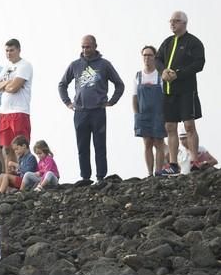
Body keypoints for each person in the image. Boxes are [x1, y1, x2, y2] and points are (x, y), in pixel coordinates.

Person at [58, 35, 124, 185]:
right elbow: (62, 84)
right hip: (80, 112)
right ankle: (85, 177)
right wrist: (67, 102)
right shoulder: (75, 65)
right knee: (82, 146)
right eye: (83, 47)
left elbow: (119, 84)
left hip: (98, 111)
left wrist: (112, 101)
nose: (85, 50)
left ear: (95, 46)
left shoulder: (104, 64)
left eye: (88, 47)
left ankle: (101, 176)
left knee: (100, 145)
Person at [155, 11, 206, 176]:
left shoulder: (194, 42)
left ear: (184, 23)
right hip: (169, 91)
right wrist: (162, 71)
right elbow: (157, 59)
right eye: (170, 21)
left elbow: (199, 63)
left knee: (189, 125)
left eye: (176, 21)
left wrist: (179, 73)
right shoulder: (167, 42)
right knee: (170, 127)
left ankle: (194, 161)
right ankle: (173, 164)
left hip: (186, 90)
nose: (172, 24)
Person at [0, 39, 33, 166]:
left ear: (19, 50)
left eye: (12, 50)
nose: (9, 53)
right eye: (7, 51)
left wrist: (4, 86)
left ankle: (25, 174)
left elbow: (14, 88)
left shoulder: (25, 65)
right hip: (4, 112)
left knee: (21, 147)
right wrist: (8, 83)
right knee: (6, 147)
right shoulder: (7, 67)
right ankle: (10, 177)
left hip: (19, 111)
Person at [132, 45, 167, 176]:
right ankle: (149, 173)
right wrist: (136, 115)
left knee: (159, 143)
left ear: (154, 57)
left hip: (159, 114)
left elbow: (166, 97)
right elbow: (134, 98)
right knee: (147, 144)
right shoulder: (138, 76)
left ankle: (159, 171)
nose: (147, 58)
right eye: (145, 55)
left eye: (150, 55)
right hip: (143, 114)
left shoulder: (160, 75)